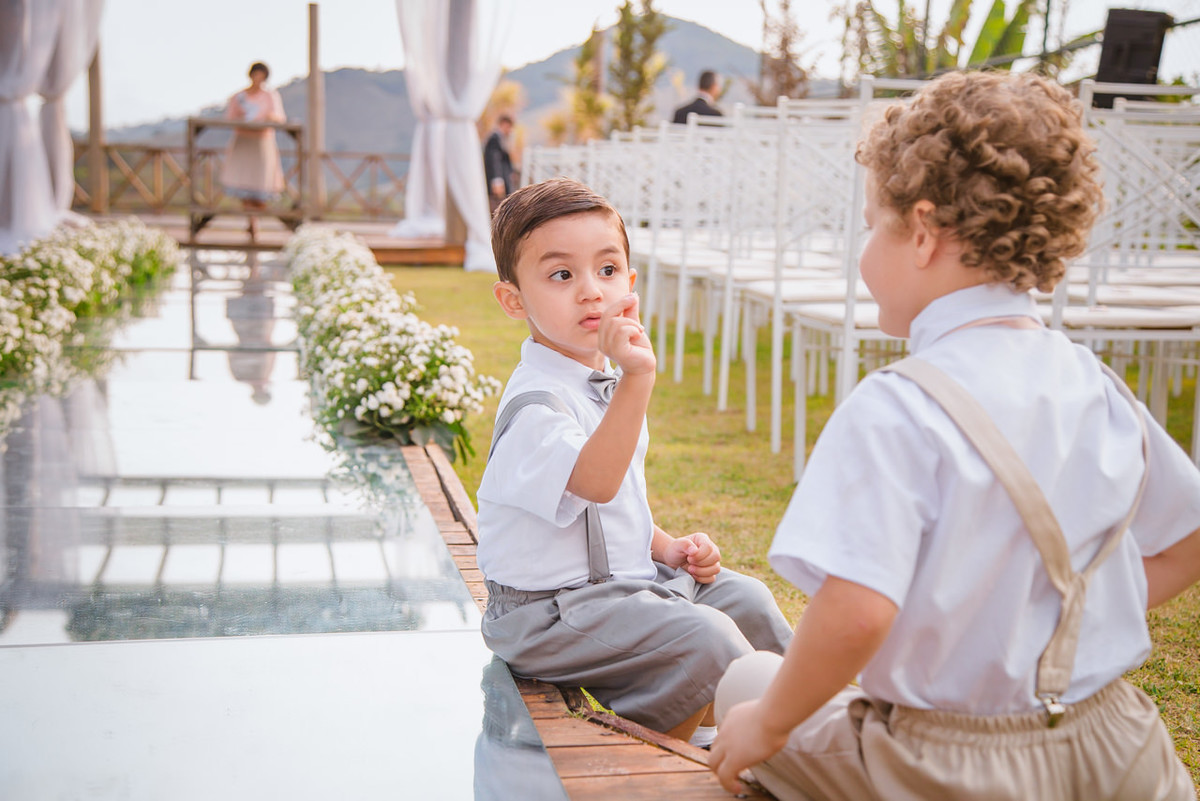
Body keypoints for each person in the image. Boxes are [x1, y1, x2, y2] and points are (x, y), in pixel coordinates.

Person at [709, 70, 1200, 800]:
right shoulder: (1095, 382)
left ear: (924, 233)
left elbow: (856, 614)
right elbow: (1187, 535)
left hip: (950, 762)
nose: (862, 251)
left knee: (747, 681)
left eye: (873, 224)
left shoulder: (897, 407)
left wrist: (767, 726)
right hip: (1118, 743)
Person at [477, 177, 792, 746]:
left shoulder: (602, 384)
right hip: (544, 613)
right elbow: (595, 483)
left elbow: (613, 503)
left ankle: (801, 727)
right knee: (706, 638)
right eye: (561, 275)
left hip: (619, 585)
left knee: (746, 600)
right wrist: (638, 379)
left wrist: (665, 547)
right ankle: (670, 757)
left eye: (607, 270)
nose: (591, 292)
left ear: (630, 285)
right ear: (514, 300)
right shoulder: (536, 407)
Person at [219, 62, 285, 239]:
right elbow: (229, 117)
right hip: (243, 141)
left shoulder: (270, 96)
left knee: (260, 185)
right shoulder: (239, 96)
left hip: (262, 142)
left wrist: (269, 117)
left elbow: (279, 117)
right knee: (244, 184)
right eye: (256, 74)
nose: (258, 78)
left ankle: (255, 221)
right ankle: (252, 222)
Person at [483, 115, 516, 214]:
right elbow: (494, 160)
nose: (510, 130)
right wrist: (497, 180)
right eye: (509, 127)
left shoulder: (500, 139)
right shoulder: (494, 139)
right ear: (504, 124)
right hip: (499, 180)